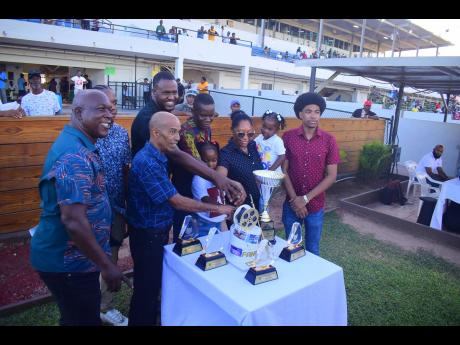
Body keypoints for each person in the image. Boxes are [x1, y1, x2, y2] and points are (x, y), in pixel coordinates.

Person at [126, 111, 235, 326]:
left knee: (151, 285)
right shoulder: (147, 162)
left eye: (179, 131)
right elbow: (175, 201)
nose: (178, 137)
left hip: (154, 232)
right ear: (156, 133)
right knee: (146, 290)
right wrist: (218, 208)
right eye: (173, 132)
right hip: (147, 236)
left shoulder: (160, 153)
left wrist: (218, 178)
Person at [29, 90, 127, 326]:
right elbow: (73, 220)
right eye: (101, 109)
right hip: (69, 263)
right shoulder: (74, 155)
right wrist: (107, 266)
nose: (109, 115)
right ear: (78, 113)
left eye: (110, 109)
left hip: (79, 259)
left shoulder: (81, 144)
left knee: (76, 317)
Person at [130, 71, 247, 204]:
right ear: (153, 92)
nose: (172, 97)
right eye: (166, 93)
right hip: (149, 194)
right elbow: (177, 154)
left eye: (175, 92)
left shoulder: (161, 113)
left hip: (163, 187)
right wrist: (218, 178)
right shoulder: (149, 120)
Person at [282, 92, 340, 256]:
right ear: (300, 114)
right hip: (291, 205)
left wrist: (305, 199)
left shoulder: (329, 140)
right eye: (308, 111)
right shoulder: (288, 137)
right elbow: (283, 170)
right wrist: (295, 200)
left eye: (317, 111)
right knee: (292, 248)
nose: (313, 116)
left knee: (313, 250)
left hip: (315, 206)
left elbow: (331, 176)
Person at [93, 85, 130, 326]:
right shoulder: (84, 134)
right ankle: (88, 307)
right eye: (106, 104)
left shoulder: (120, 133)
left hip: (116, 208)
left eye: (114, 102)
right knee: (90, 260)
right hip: (89, 211)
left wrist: (126, 206)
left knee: (112, 256)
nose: (112, 107)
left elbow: (126, 169)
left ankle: (105, 306)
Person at [170, 93, 218, 242]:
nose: (208, 120)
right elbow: (198, 163)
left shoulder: (206, 128)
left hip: (199, 183)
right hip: (184, 186)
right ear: (193, 112)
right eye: (204, 116)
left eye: (211, 116)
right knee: (184, 231)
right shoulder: (186, 132)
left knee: (200, 229)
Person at [217, 112, 264, 209]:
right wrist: (232, 184)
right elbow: (219, 178)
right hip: (239, 209)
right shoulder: (226, 153)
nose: (246, 138)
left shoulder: (252, 146)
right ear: (232, 131)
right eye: (241, 134)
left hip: (256, 203)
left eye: (250, 134)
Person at [191, 141, 227, 235]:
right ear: (200, 160)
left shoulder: (219, 175)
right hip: (203, 221)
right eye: (206, 161)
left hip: (218, 219)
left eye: (214, 160)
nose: (210, 164)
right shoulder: (198, 179)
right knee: (204, 246)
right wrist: (223, 207)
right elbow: (205, 199)